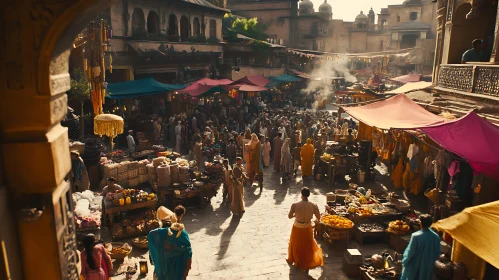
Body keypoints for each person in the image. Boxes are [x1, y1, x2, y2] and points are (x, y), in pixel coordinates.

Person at [148, 206, 192, 280]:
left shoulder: (155, 238)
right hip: (179, 274)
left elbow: (152, 259)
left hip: (161, 275)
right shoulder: (182, 236)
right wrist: (185, 275)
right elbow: (188, 259)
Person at [286, 187, 323, 273]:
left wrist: (296, 215)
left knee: (295, 243)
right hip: (307, 227)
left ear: (301, 194)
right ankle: (306, 262)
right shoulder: (313, 205)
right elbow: (318, 217)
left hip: (297, 227)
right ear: (308, 195)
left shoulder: (295, 205)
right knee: (308, 244)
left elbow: (289, 216)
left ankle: (295, 259)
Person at [401, 214, 441, 280]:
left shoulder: (416, 236)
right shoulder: (436, 236)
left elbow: (410, 252)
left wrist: (404, 261)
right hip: (428, 266)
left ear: (421, 223)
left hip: (415, 265)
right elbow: (437, 252)